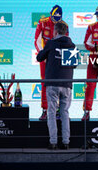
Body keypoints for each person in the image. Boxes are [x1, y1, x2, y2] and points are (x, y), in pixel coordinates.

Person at [36, 22, 75, 150]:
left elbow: (39, 57)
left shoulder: (51, 43)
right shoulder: (71, 45)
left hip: (52, 83)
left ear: (56, 32)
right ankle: (66, 143)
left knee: (51, 112)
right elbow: (74, 65)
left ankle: (53, 143)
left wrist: (50, 55)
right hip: (66, 84)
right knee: (64, 112)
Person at [34, 5, 69, 120]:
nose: (56, 20)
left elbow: (66, 43)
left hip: (57, 59)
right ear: (50, 14)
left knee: (60, 83)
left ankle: (58, 109)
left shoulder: (64, 25)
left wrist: (60, 58)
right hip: (45, 58)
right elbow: (37, 41)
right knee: (45, 83)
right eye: (54, 18)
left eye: (58, 18)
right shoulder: (42, 22)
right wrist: (43, 55)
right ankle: (45, 110)